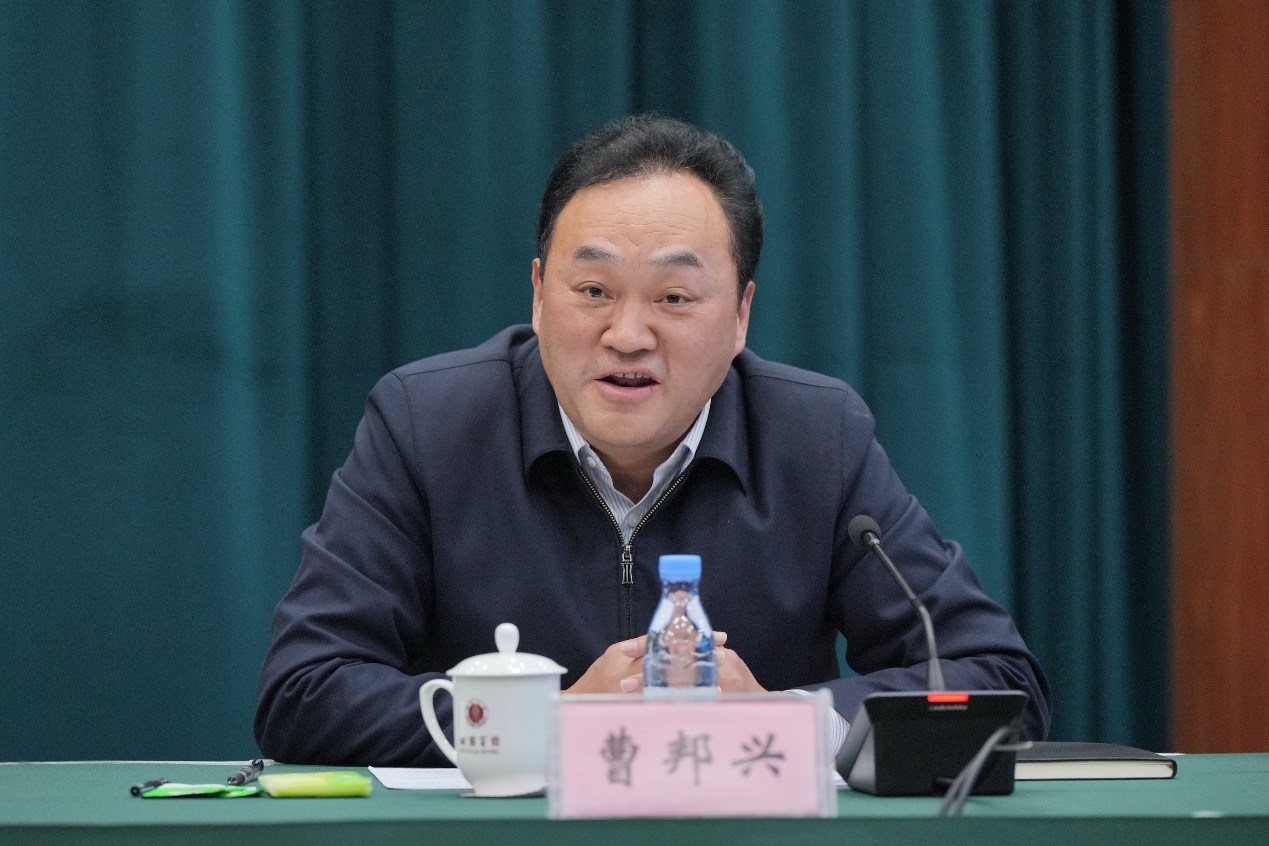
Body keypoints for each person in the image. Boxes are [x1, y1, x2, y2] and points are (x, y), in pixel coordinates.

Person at [255, 114, 1050, 766]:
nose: (628, 335)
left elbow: (996, 683)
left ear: (739, 316)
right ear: (537, 295)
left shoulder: (815, 437)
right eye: (593, 290)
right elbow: (304, 692)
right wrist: (551, 723)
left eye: (674, 297)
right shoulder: (428, 425)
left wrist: (782, 721)